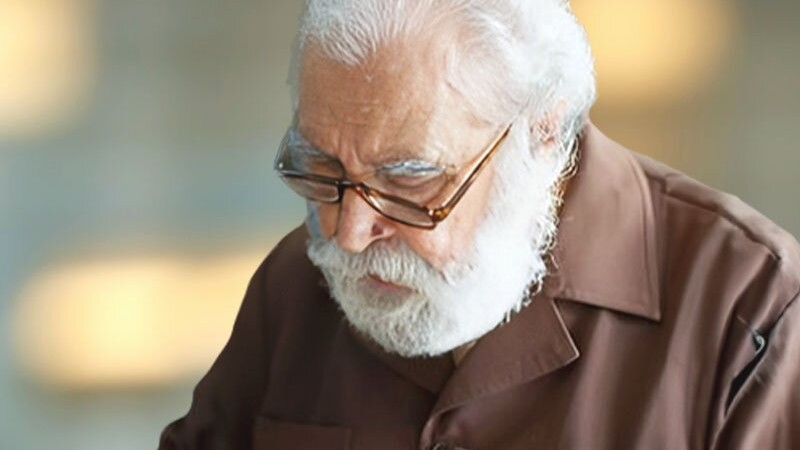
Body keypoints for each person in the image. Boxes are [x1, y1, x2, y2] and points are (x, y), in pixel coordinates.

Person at [159, 1, 800, 449]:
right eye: (322, 170)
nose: (349, 233)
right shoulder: (292, 286)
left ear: (542, 129)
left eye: (410, 180)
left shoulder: (751, 310)